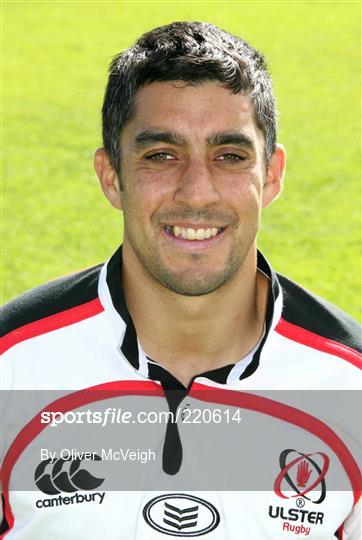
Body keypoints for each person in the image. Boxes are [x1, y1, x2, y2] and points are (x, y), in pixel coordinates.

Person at [1, 21, 361, 540]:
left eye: (230, 156)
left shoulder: (350, 385)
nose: (197, 193)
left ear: (273, 174)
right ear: (111, 176)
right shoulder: (11, 365)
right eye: (161, 156)